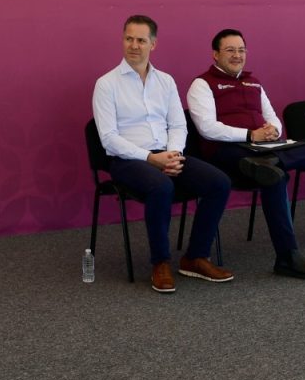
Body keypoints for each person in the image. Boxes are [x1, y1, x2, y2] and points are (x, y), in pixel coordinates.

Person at [92, 15, 234, 293]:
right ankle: (160, 262)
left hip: (167, 154)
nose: (134, 45)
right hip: (127, 160)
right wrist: (150, 158)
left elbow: (178, 125)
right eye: (129, 39)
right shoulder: (106, 84)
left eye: (141, 40)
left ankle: (195, 257)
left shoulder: (165, 81)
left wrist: (173, 155)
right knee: (161, 186)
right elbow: (109, 139)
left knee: (220, 183)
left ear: (153, 44)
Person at [186, 29, 305, 278]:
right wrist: (251, 135)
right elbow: (207, 129)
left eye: (241, 50)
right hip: (227, 152)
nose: (237, 55)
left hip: (262, 151)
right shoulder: (202, 84)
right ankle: (288, 257)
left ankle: (272, 161)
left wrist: (274, 130)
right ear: (215, 54)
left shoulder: (254, 82)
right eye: (230, 50)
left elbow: (272, 117)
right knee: (274, 177)